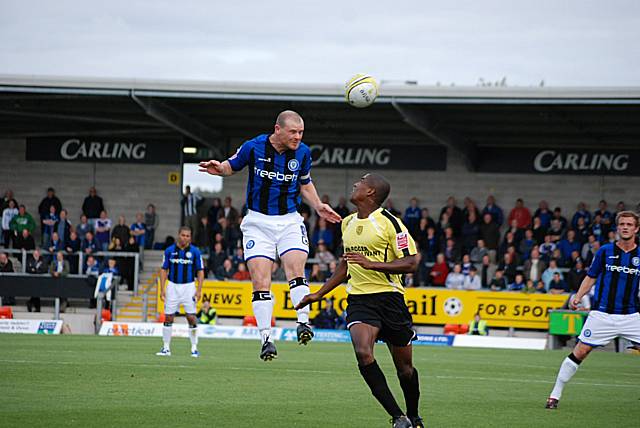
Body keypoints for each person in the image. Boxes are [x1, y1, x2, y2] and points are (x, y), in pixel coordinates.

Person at [198, 110, 341, 360]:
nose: (298, 137)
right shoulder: (253, 147)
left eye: (301, 132)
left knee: (296, 269)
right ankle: (266, 338)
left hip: (289, 220)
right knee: (260, 281)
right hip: (257, 222)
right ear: (278, 129)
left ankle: (303, 323)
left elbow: (305, 182)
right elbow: (231, 166)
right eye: (293, 132)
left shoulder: (303, 153)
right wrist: (219, 168)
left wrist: (318, 205)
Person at [295, 173, 423, 428]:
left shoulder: (390, 223)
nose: (355, 184)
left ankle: (414, 414)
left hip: (390, 299)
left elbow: (412, 262)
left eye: (361, 182)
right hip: (360, 299)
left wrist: (372, 264)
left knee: (405, 369)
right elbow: (346, 264)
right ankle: (398, 418)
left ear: (371, 192)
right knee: (364, 353)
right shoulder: (348, 223)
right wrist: (319, 294)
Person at [546, 211, 640, 410]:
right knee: (580, 351)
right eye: (622, 224)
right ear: (617, 227)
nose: (625, 227)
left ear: (636, 228)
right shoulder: (605, 251)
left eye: (629, 224)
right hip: (602, 315)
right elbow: (591, 277)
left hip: (631, 316)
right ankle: (555, 395)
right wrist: (578, 296)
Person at [157, 227, 204, 358]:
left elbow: (200, 271)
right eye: (183, 235)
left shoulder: (195, 252)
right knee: (168, 317)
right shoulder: (169, 251)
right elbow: (163, 270)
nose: (185, 238)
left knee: (191, 317)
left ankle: (194, 348)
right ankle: (166, 348)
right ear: (178, 235)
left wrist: (199, 290)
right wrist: (162, 289)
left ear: (190, 237)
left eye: (188, 236)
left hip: (189, 287)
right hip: (172, 286)